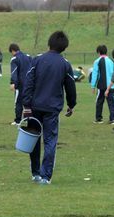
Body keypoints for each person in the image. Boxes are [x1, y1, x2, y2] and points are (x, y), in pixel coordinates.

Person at [22, 31, 77, 185]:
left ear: (49, 43)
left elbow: (28, 83)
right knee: (50, 140)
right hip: (52, 108)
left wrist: (26, 105)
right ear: (64, 47)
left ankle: (35, 173)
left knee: (33, 138)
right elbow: (70, 87)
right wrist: (71, 104)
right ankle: (46, 176)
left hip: (34, 107)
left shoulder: (37, 60)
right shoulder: (65, 64)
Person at [90, 45, 114, 124]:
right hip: (111, 85)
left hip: (101, 86)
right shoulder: (112, 60)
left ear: (99, 52)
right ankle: (113, 119)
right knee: (111, 102)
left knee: (99, 102)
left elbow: (95, 74)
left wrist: (93, 86)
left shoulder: (97, 61)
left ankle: (99, 119)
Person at [8, 43, 32, 125]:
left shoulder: (14, 59)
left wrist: (12, 83)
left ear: (12, 50)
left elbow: (14, 72)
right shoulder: (28, 57)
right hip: (30, 83)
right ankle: (27, 118)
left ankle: (18, 120)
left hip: (20, 84)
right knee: (28, 101)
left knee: (18, 102)